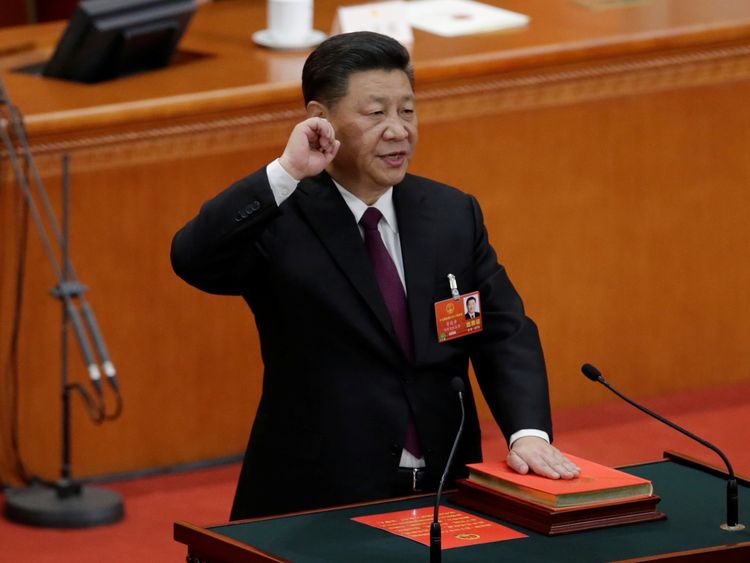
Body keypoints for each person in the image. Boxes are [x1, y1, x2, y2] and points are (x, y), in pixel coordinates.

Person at [171, 31, 579, 521]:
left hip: (443, 487)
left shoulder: (451, 213)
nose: (398, 130)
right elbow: (193, 258)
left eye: (407, 111)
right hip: (316, 497)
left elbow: (502, 330)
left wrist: (527, 433)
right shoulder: (280, 217)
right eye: (375, 113)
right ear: (320, 119)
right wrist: (285, 171)